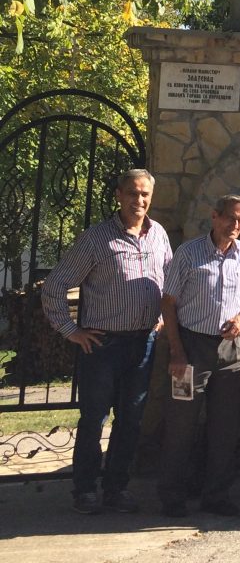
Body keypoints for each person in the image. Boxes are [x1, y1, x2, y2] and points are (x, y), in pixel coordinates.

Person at [41, 168, 172, 515]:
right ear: (118, 195)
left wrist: (160, 320)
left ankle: (117, 487)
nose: (139, 200)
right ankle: (85, 489)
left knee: (131, 420)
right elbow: (55, 286)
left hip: (142, 344)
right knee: (94, 417)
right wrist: (71, 331)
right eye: (132, 193)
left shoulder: (158, 234)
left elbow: (168, 282)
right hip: (102, 345)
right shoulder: (96, 239)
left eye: (145, 194)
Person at [158, 194, 240, 517]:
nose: (235, 225)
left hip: (231, 352)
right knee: (180, 424)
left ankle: (216, 495)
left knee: (225, 426)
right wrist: (176, 351)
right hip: (191, 348)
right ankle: (172, 495)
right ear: (214, 217)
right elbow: (168, 303)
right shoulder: (188, 254)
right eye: (230, 218)